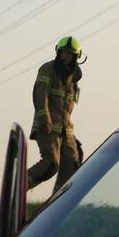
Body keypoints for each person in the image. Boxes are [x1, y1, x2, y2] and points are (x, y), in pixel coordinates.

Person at [27, 36, 83, 192]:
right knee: (51, 164)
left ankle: (57, 203)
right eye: (63, 53)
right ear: (58, 52)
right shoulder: (47, 69)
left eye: (70, 54)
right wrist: (44, 117)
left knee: (72, 167)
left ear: (76, 56)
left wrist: (71, 136)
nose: (66, 56)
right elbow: (40, 93)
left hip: (66, 131)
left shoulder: (74, 78)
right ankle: (15, 190)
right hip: (48, 127)